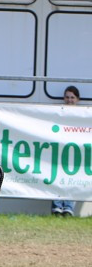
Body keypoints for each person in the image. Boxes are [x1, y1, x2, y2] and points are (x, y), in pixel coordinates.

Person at [52, 85, 81, 216]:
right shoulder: (59, 113)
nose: (69, 100)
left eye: (72, 97)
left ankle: (68, 207)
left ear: (77, 99)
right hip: (60, 152)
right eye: (67, 97)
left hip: (76, 154)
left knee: (73, 179)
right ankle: (57, 207)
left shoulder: (83, 115)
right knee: (56, 177)